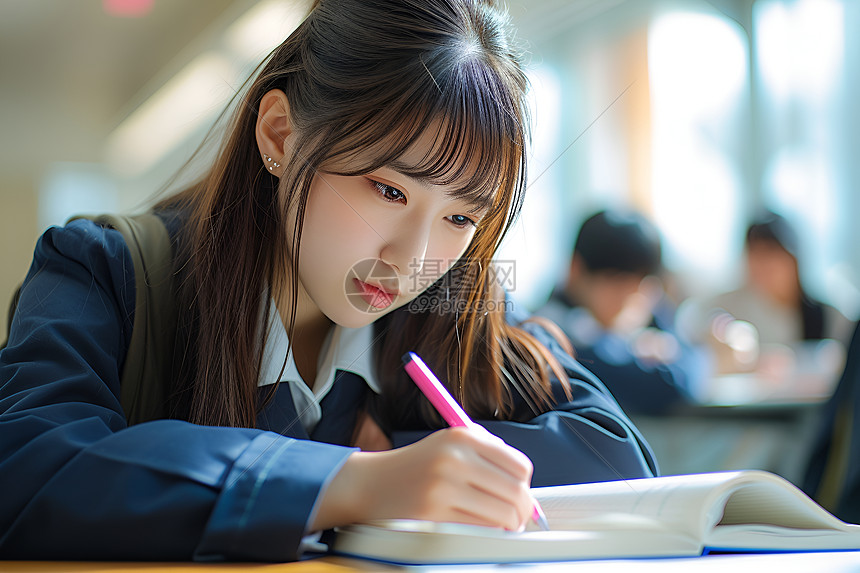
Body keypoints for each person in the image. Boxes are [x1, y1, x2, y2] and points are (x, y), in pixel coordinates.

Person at [0, 0, 656, 563]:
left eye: (460, 216)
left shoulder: (447, 300)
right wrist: (352, 480)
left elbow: (616, 457)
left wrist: (409, 462)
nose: (413, 260)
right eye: (387, 189)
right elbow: (25, 471)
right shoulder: (104, 268)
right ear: (280, 135)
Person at [537, 209, 708, 415]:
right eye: (618, 281)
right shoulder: (551, 328)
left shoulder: (642, 306)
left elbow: (685, 352)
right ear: (576, 269)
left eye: (641, 284)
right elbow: (672, 384)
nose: (630, 298)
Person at [679, 210, 854, 379]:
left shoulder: (828, 316)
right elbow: (688, 331)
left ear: (793, 259)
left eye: (771, 253)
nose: (761, 265)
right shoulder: (726, 307)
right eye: (754, 253)